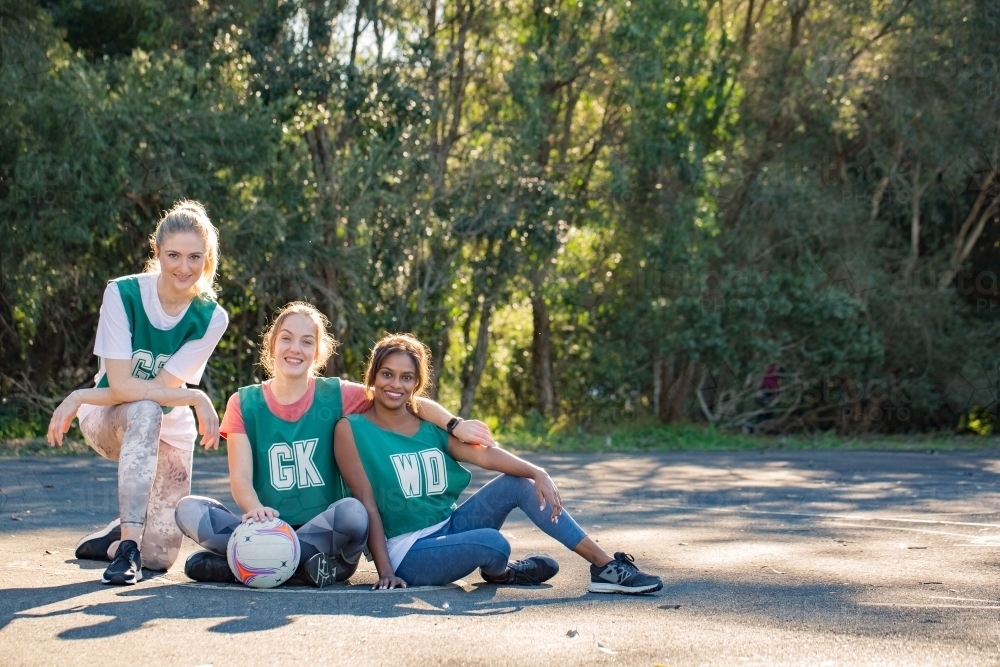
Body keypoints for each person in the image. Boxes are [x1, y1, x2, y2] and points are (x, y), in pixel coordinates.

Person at [174, 302, 497, 587]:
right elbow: (240, 477)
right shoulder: (244, 402)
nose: (295, 348)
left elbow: (403, 400)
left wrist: (454, 424)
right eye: (286, 338)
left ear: (317, 352)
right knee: (188, 509)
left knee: (355, 512)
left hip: (326, 535)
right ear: (272, 345)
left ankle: (247, 564)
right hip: (266, 525)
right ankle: (297, 569)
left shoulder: (338, 395)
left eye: (306, 341)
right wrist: (255, 510)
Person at [335, 333, 663, 594]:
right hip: (407, 553)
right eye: (387, 374)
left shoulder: (428, 426)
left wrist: (537, 471)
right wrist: (387, 572)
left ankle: (604, 566)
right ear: (373, 376)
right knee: (494, 544)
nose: (395, 384)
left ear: (416, 385)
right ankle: (503, 573)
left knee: (516, 482)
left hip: (448, 528)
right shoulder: (352, 429)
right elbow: (367, 504)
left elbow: (483, 454)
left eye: (406, 377)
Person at [46, 201, 229, 585]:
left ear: (207, 258)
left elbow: (163, 390)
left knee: (161, 558)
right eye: (173, 255)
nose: (183, 267)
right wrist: (197, 398)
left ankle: (114, 538)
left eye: (194, 257)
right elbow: (124, 388)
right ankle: (128, 546)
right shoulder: (123, 294)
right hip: (108, 417)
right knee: (143, 408)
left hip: (167, 424)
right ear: (156, 251)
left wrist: (189, 397)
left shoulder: (211, 316)